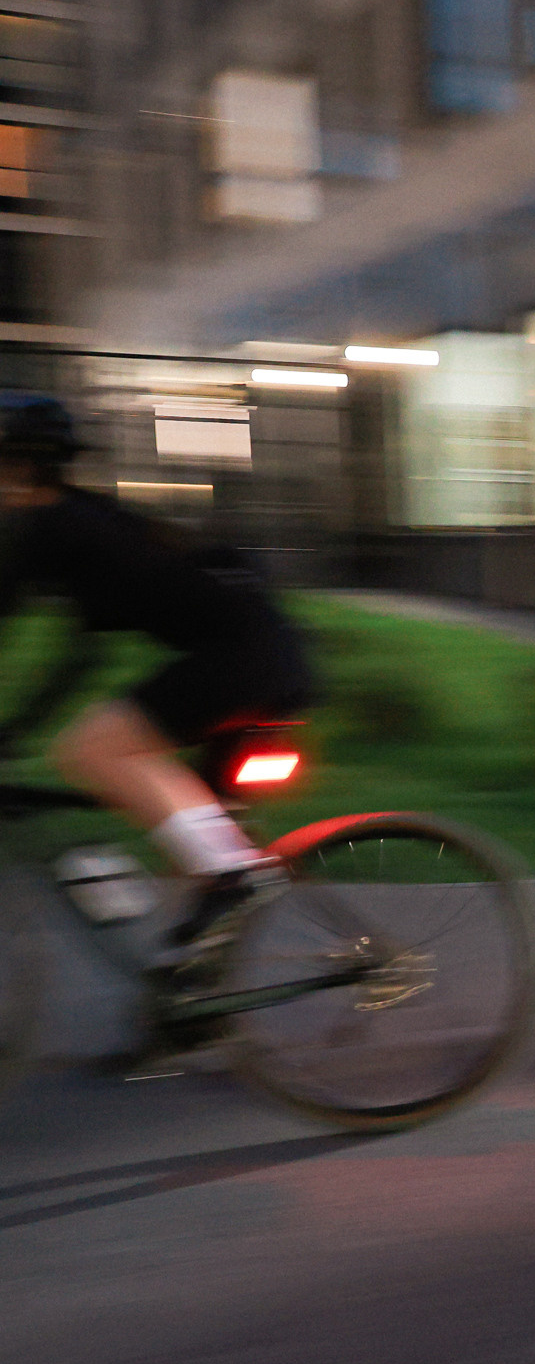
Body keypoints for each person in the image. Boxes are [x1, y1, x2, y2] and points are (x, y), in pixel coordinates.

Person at [0, 393, 315, 982]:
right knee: (182, 830)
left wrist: (14, 731)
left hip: (241, 658)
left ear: (19, 464)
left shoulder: (52, 527)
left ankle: (232, 875)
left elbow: (27, 625)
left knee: (92, 750)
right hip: (264, 653)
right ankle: (188, 1005)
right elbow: (80, 650)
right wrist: (15, 728)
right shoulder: (82, 518)